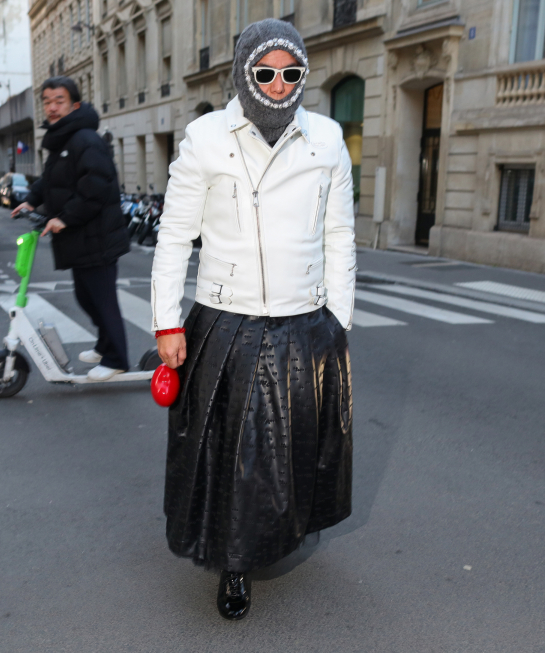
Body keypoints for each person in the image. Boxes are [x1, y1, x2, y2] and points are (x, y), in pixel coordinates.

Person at [151, 18, 356, 621]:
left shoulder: (326, 137)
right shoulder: (207, 137)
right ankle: (233, 564)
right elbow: (172, 238)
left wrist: (338, 317)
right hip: (227, 319)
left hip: (304, 321)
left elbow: (339, 233)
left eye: (291, 73)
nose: (277, 84)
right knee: (230, 455)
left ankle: (282, 533)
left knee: (289, 451)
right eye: (265, 72)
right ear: (244, 70)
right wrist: (166, 322)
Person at [11, 76, 130, 381]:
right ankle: (106, 346)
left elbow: (96, 186)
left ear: (75, 105)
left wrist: (65, 218)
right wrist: (30, 201)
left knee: (102, 300)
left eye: (59, 101)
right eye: (47, 101)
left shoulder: (85, 139)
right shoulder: (65, 140)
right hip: (82, 239)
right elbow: (52, 182)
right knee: (86, 297)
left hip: (97, 236)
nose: (51, 107)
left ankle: (117, 357)